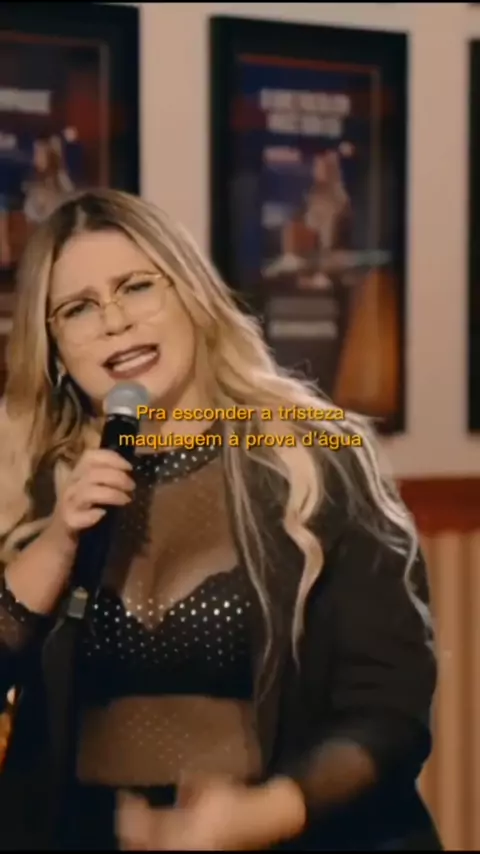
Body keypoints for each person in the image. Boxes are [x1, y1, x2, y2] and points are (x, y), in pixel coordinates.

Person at [0, 188, 441, 851]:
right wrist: (59, 541)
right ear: (56, 346)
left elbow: (389, 707)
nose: (115, 320)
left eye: (136, 287)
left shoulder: (317, 457)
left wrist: (259, 817)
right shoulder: (29, 477)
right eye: (79, 308)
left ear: (191, 296)